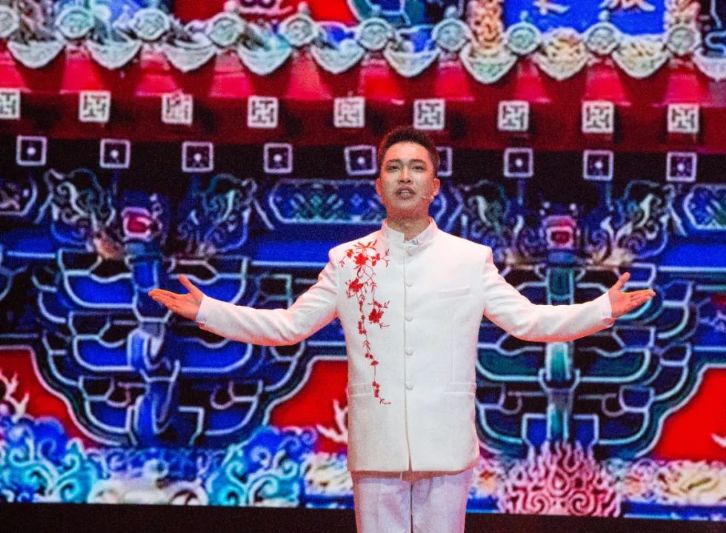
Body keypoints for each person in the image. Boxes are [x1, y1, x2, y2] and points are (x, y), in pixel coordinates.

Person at [149, 126, 655, 532]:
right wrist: (207, 310)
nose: (405, 177)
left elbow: (529, 321)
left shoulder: (469, 260)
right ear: (379, 186)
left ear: (434, 187)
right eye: (393, 168)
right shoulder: (348, 261)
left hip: (445, 445)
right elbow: (288, 326)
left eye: (417, 168)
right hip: (378, 444)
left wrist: (601, 307)